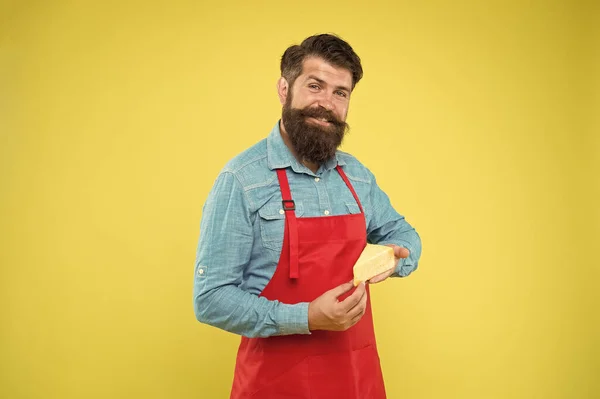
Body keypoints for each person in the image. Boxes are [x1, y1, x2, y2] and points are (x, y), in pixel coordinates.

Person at [193, 33, 422, 399]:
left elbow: (406, 237)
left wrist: (393, 261)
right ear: (284, 89)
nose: (326, 103)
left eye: (340, 93)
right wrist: (307, 318)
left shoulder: (357, 177)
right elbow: (211, 299)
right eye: (315, 85)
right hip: (275, 385)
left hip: (355, 381)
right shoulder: (241, 180)